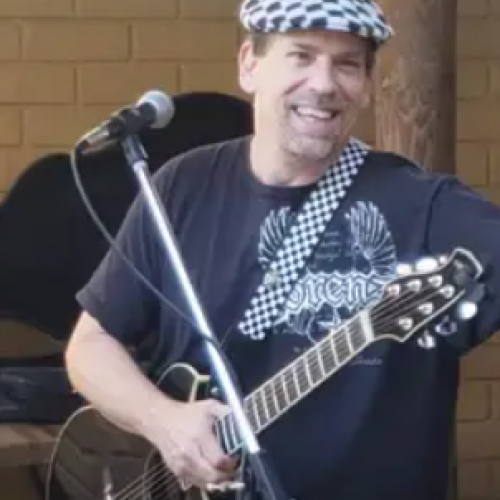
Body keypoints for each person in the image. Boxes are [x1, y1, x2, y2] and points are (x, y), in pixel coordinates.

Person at [64, 0, 500, 499]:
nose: (324, 83)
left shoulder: (423, 206)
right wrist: (163, 420)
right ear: (250, 65)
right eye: (301, 55)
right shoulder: (183, 187)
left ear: (367, 83)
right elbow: (90, 346)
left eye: (347, 63)